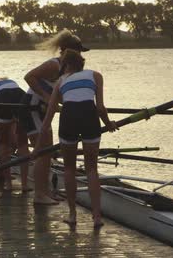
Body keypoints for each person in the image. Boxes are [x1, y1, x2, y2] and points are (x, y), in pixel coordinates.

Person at [38, 49, 118, 228]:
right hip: (89, 116)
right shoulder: (96, 75)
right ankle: (97, 217)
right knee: (91, 169)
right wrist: (109, 124)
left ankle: (73, 215)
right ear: (82, 62)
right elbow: (100, 108)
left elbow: (49, 115)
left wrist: (37, 147)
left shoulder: (60, 81)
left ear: (65, 65)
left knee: (69, 168)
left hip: (69, 118)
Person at [20, 29, 89, 205]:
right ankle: (39, 195)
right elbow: (29, 77)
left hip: (42, 110)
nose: (80, 55)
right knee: (43, 152)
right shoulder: (54, 65)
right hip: (31, 108)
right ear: (69, 51)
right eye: (78, 51)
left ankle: (46, 191)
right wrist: (46, 97)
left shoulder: (68, 69)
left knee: (47, 152)